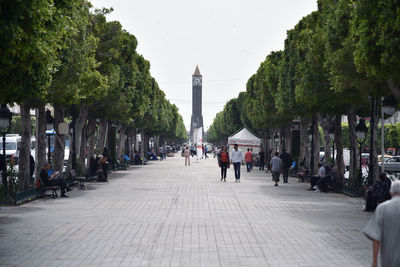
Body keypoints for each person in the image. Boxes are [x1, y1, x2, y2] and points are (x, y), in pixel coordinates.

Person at [363, 180, 400, 267]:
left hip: (388, 259)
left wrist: (374, 261)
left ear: (390, 192)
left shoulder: (382, 208)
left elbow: (376, 237)